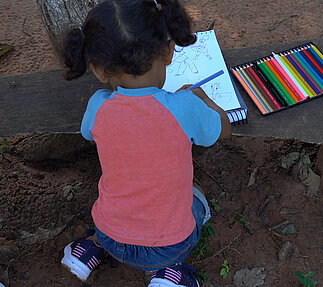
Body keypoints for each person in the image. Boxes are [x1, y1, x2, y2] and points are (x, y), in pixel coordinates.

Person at [59, 0, 231, 286]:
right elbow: (222, 130)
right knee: (197, 198)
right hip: (168, 246)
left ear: (99, 69)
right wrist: (204, 99)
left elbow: (88, 132)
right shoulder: (184, 106)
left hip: (110, 235)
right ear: (168, 50)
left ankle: (89, 249)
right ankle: (169, 272)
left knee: (120, 208)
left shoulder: (98, 106)